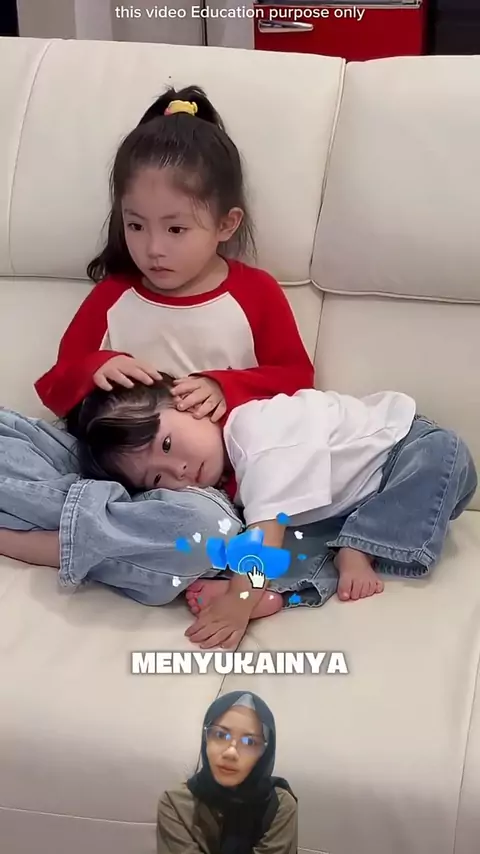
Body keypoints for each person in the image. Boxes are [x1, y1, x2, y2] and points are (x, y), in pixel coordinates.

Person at [0, 84, 313, 602]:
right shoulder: (113, 294)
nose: (152, 249)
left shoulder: (255, 293)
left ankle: (48, 540)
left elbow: (299, 381)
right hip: (101, 466)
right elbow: (54, 386)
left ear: (226, 224)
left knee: (202, 532)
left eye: (175, 229)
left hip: (198, 493)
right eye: (136, 226)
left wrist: (226, 387)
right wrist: (94, 368)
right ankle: (111, 532)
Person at [71, 375, 477, 649]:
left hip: (405, 449)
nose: (178, 469)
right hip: (341, 509)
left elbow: (265, 531)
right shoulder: (228, 480)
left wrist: (239, 599)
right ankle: (287, 586)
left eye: (166, 445)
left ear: (192, 404)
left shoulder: (255, 431)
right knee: (303, 537)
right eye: (157, 479)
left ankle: (358, 547)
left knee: (446, 456)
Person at [157, 691, 298, 854]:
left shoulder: (279, 806)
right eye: (220, 734)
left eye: (249, 741)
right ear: (205, 739)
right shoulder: (175, 804)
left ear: (264, 753)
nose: (231, 752)